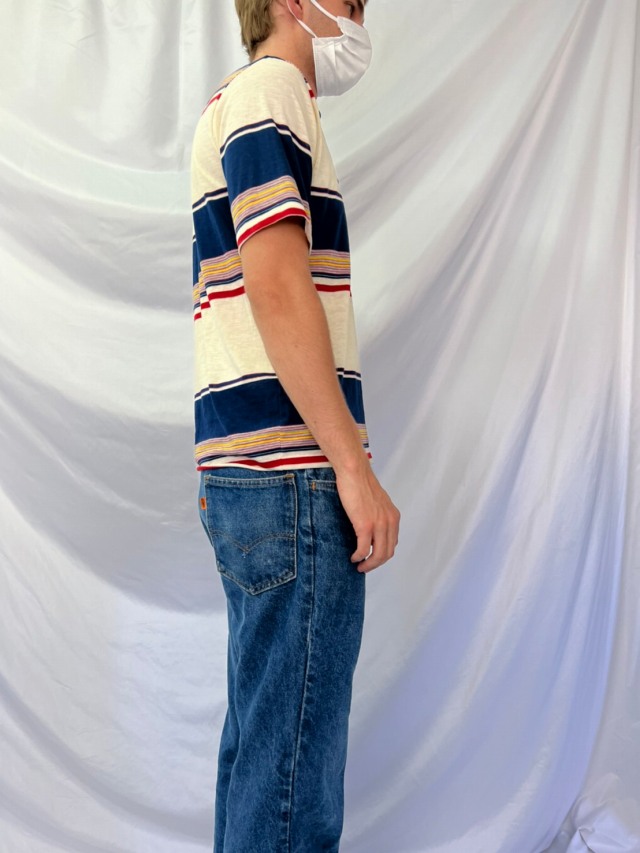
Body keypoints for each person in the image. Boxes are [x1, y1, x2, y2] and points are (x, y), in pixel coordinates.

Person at [191, 0, 400, 849]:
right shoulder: (270, 93)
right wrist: (352, 465)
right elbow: (276, 285)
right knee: (290, 792)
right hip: (293, 477)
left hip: (251, 479)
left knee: (262, 760)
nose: (356, 19)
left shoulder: (238, 102)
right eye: (346, 3)